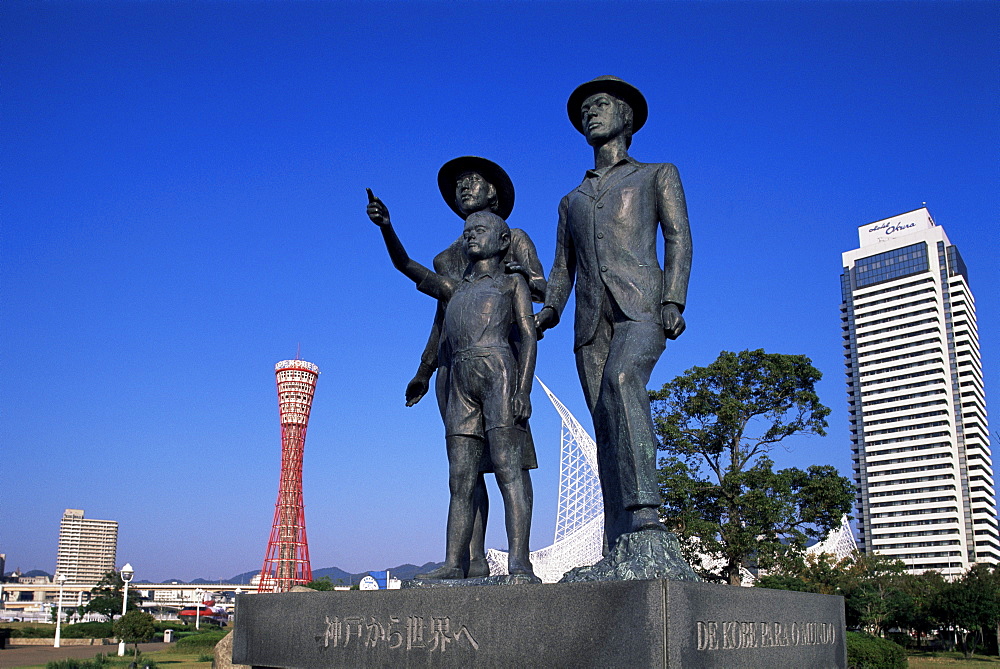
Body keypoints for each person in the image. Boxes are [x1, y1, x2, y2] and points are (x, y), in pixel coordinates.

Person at [536, 76, 693, 552]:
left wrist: (673, 298)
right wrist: (549, 309)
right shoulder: (571, 201)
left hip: (641, 306)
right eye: (585, 110)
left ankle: (646, 512)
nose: (590, 113)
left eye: (600, 105)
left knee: (623, 382)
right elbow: (563, 267)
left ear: (626, 118)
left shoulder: (656, 174)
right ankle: (615, 535)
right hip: (589, 322)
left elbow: (678, 238)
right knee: (604, 420)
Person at [367, 191, 538, 579]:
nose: (471, 236)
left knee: (510, 470)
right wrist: (387, 228)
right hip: (459, 377)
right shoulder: (453, 289)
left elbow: (528, 337)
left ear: (502, 240)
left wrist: (523, 390)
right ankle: (452, 561)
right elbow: (405, 265)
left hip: (500, 371)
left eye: (480, 230)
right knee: (460, 477)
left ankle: (519, 561)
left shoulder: (513, 284)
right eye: (466, 232)